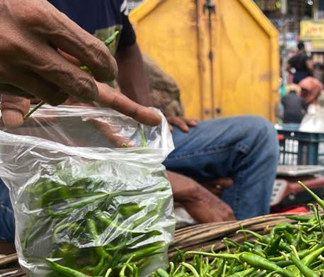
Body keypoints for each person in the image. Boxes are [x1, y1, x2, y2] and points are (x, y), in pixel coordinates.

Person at [0, 0, 279, 245]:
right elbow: (23, 126)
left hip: (121, 141)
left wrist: (150, 118)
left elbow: (128, 48)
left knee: (254, 137)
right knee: (55, 209)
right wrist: (154, 178)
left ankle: (240, 251)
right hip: (48, 154)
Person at [0, 0, 161, 128]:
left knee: (183, 143)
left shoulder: (114, 3)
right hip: (49, 129)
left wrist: (150, 121)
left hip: (105, 121)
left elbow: (128, 49)